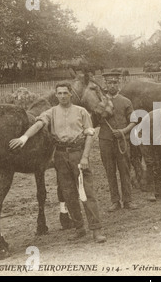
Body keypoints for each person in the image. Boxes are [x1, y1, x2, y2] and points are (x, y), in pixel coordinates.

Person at [8, 82, 106, 243]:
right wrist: (24, 137)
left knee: (86, 192)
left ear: (71, 95)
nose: (62, 96)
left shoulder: (81, 112)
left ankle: (96, 230)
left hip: (78, 154)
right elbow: (39, 124)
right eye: (59, 93)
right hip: (60, 156)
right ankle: (79, 228)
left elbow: (90, 134)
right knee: (68, 194)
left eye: (65, 93)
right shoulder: (51, 112)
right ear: (56, 95)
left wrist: (85, 157)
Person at [98, 72, 139, 211]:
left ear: (119, 84)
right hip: (105, 141)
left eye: (115, 83)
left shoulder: (126, 101)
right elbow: (92, 122)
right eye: (109, 83)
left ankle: (128, 200)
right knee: (110, 171)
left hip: (121, 141)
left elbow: (134, 121)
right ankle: (115, 201)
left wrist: (123, 132)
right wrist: (99, 112)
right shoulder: (100, 103)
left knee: (125, 170)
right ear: (105, 85)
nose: (112, 85)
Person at [138, 99, 161, 201]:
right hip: (144, 137)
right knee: (150, 163)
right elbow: (157, 138)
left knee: (159, 162)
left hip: (155, 138)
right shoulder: (155, 117)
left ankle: (158, 190)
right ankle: (150, 192)